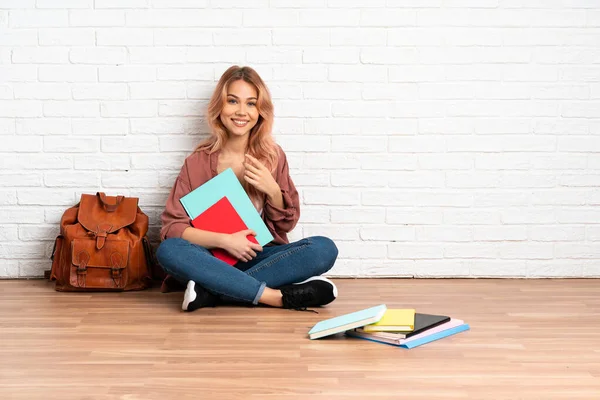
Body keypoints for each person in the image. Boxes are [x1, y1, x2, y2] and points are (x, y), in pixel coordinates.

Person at [156, 65, 339, 312]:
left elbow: (286, 225)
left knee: (323, 248)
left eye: (251, 103)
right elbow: (172, 228)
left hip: (261, 257)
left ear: (260, 111)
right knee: (169, 251)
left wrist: (273, 190)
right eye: (233, 101)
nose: (242, 111)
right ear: (220, 106)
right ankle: (275, 297)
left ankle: (210, 292)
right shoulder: (197, 162)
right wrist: (226, 241)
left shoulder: (272, 157)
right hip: (210, 259)